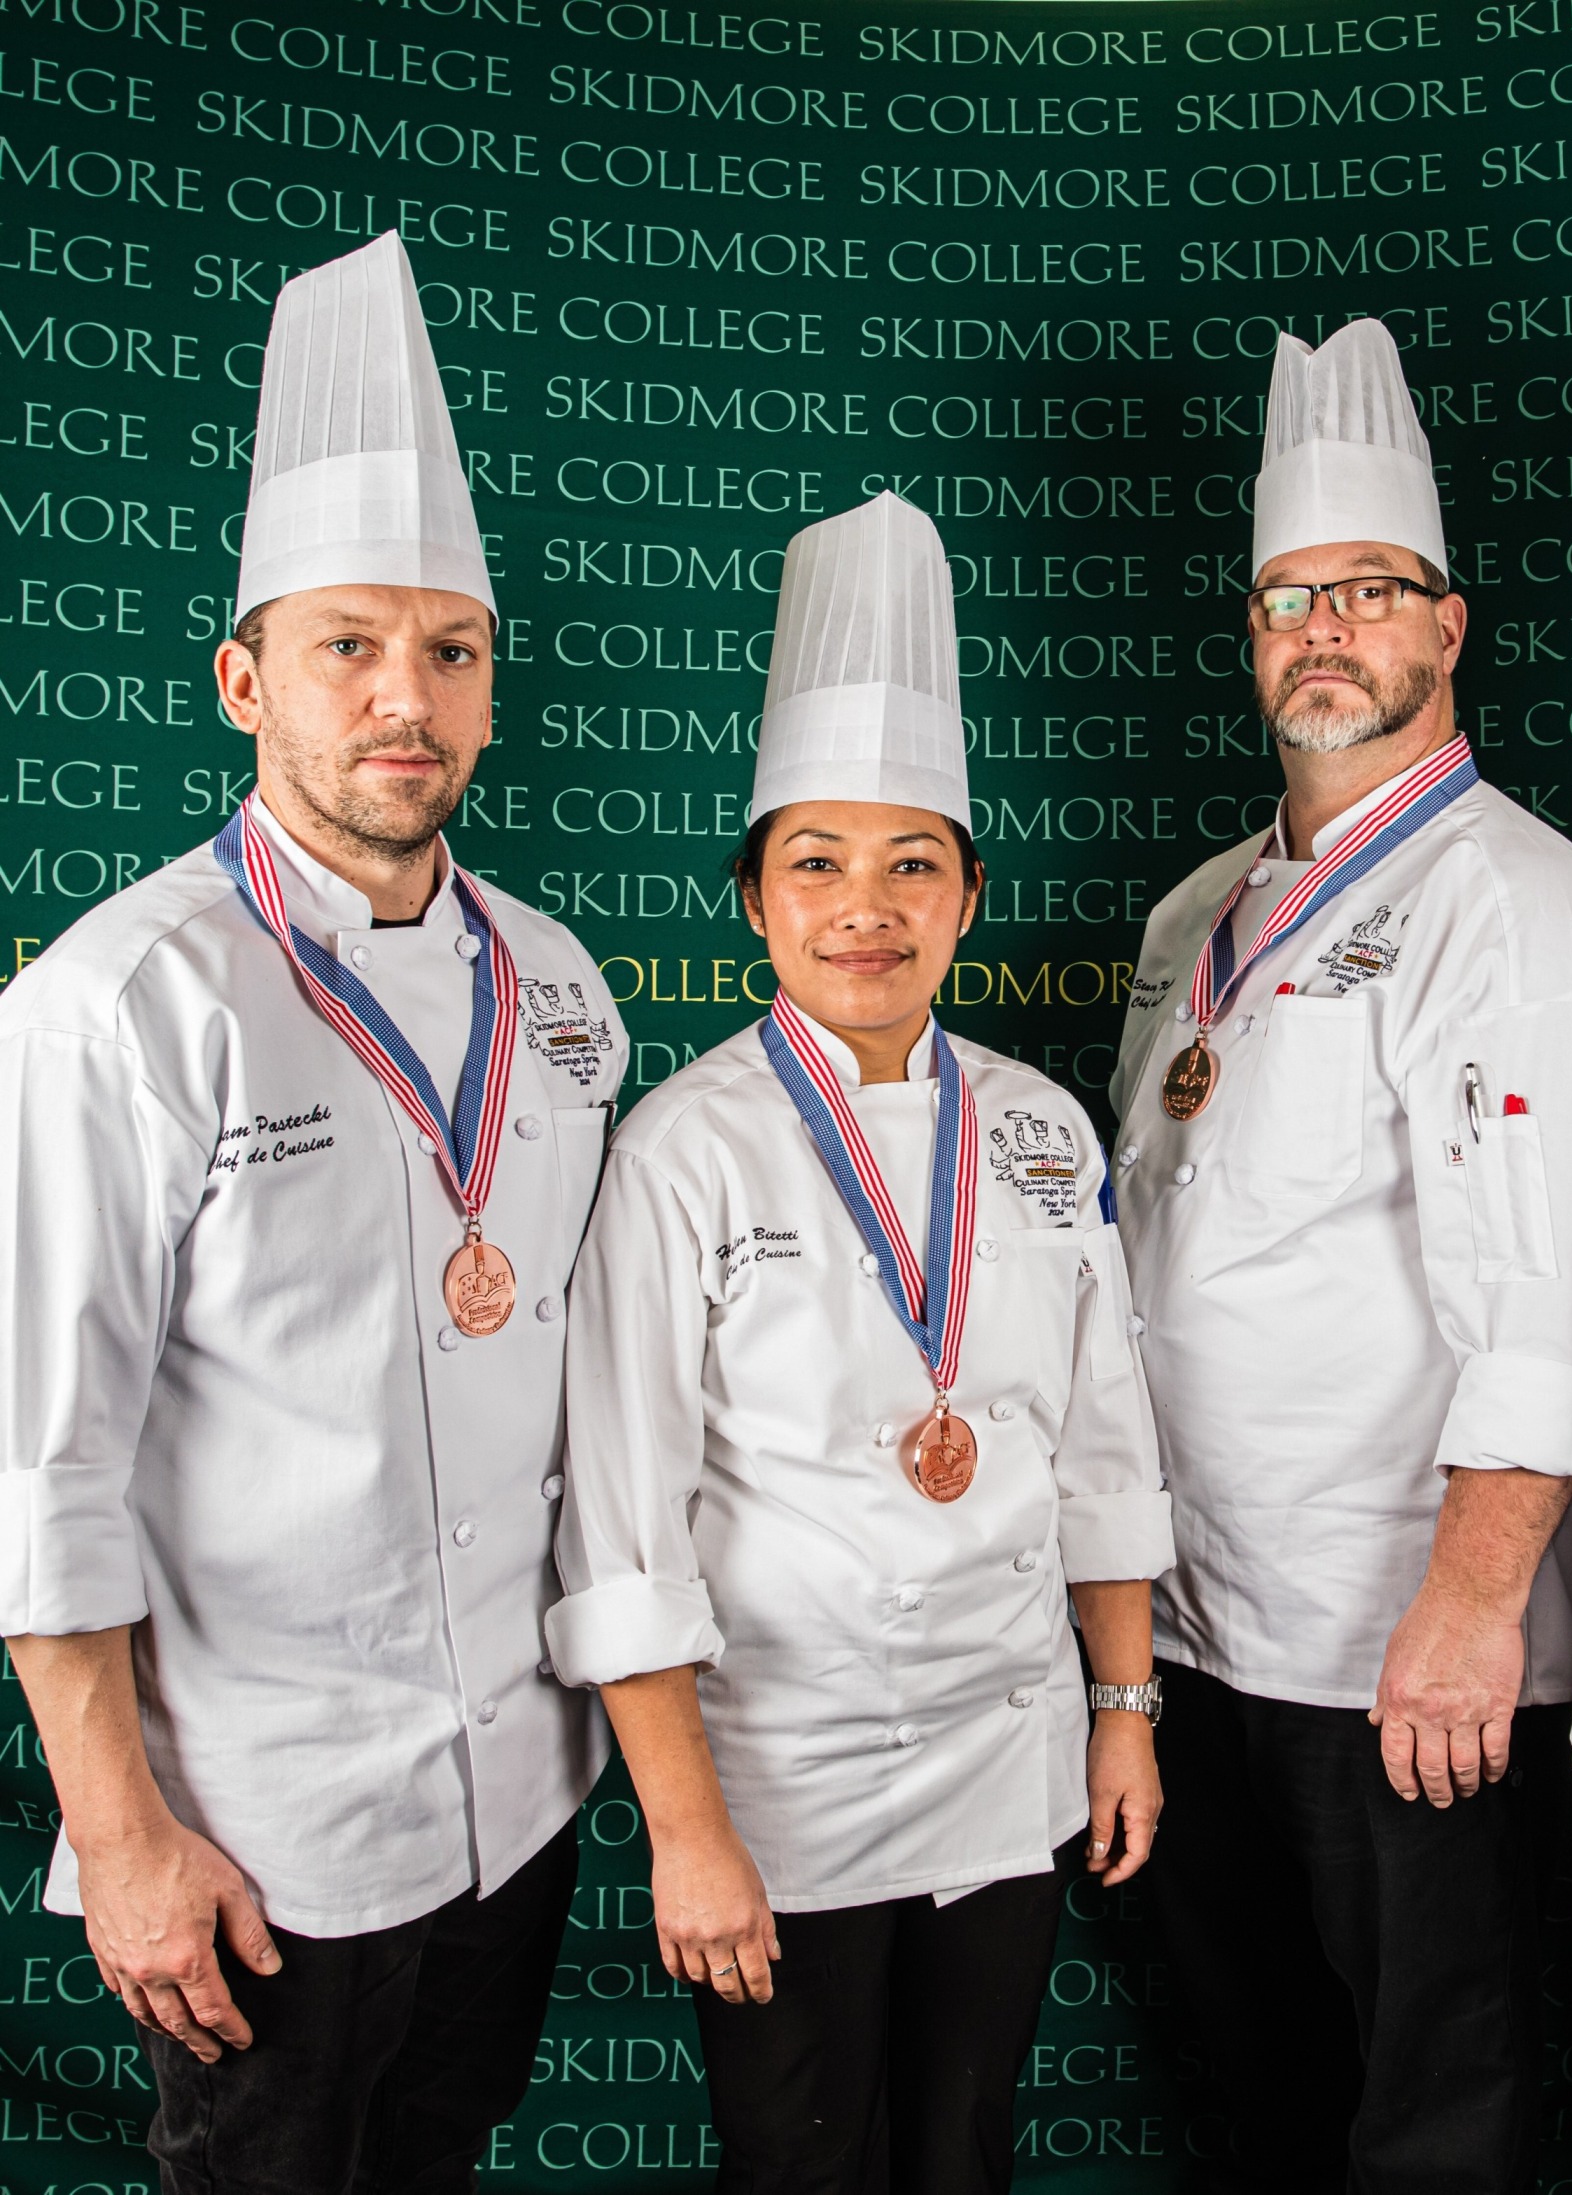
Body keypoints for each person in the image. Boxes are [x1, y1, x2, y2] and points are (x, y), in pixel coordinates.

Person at [0, 231, 627, 2190]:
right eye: (348, 646)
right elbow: (40, 1464)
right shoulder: (122, 1002)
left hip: (521, 1783)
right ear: (243, 679)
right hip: (262, 1829)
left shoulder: (562, 984)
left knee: (442, 2156)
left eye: (450, 651)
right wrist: (121, 1838)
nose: (403, 698)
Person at [546, 489, 1174, 2195]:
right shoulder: (682, 1148)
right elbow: (623, 1522)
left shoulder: (1039, 1128)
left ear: (969, 894)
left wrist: (1123, 1711)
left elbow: (1105, 1452)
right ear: (756, 899)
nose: (865, 907)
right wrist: (687, 1832)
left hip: (1011, 1757)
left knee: (966, 2151)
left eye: (913, 864)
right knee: (798, 2165)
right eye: (816, 863)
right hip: (778, 1780)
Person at [1108, 319, 1572, 2193]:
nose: (1325, 629)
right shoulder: (1196, 915)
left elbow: (1554, 1311)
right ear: (1252, 635)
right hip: (1201, 1633)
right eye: (1290, 597)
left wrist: (1473, 1606)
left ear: (1449, 626)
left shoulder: (1518, 905)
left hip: (1405, 1655)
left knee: (1432, 2119)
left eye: (1371, 591)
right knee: (1261, 2101)